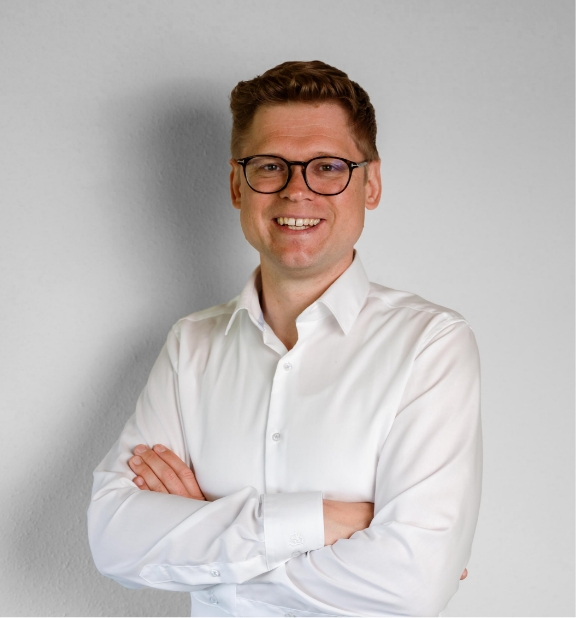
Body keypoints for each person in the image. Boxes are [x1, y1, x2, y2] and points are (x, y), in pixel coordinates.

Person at [87, 60, 482, 617]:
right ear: (237, 185)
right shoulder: (190, 345)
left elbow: (413, 583)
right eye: (271, 166)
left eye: (328, 167)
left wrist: (209, 541)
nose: (297, 191)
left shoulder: (430, 343)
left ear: (370, 184)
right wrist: (327, 521)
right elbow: (114, 541)